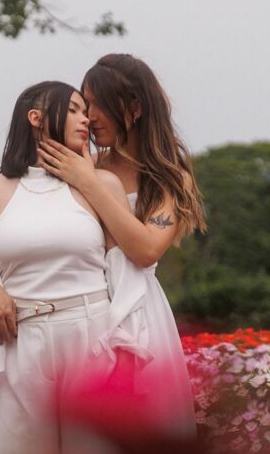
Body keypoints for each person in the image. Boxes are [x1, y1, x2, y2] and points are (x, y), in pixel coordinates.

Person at [0, 81, 149, 454]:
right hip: (19, 343)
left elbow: (126, 278)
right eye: (76, 110)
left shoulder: (100, 185)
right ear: (37, 117)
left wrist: (127, 354)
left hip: (92, 337)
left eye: (87, 111)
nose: (87, 120)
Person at [36, 53, 203, 434]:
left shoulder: (169, 177)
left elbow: (145, 250)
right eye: (85, 104)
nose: (89, 116)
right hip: (80, 309)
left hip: (140, 313)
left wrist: (91, 181)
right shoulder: (80, 164)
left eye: (97, 104)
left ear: (134, 107)